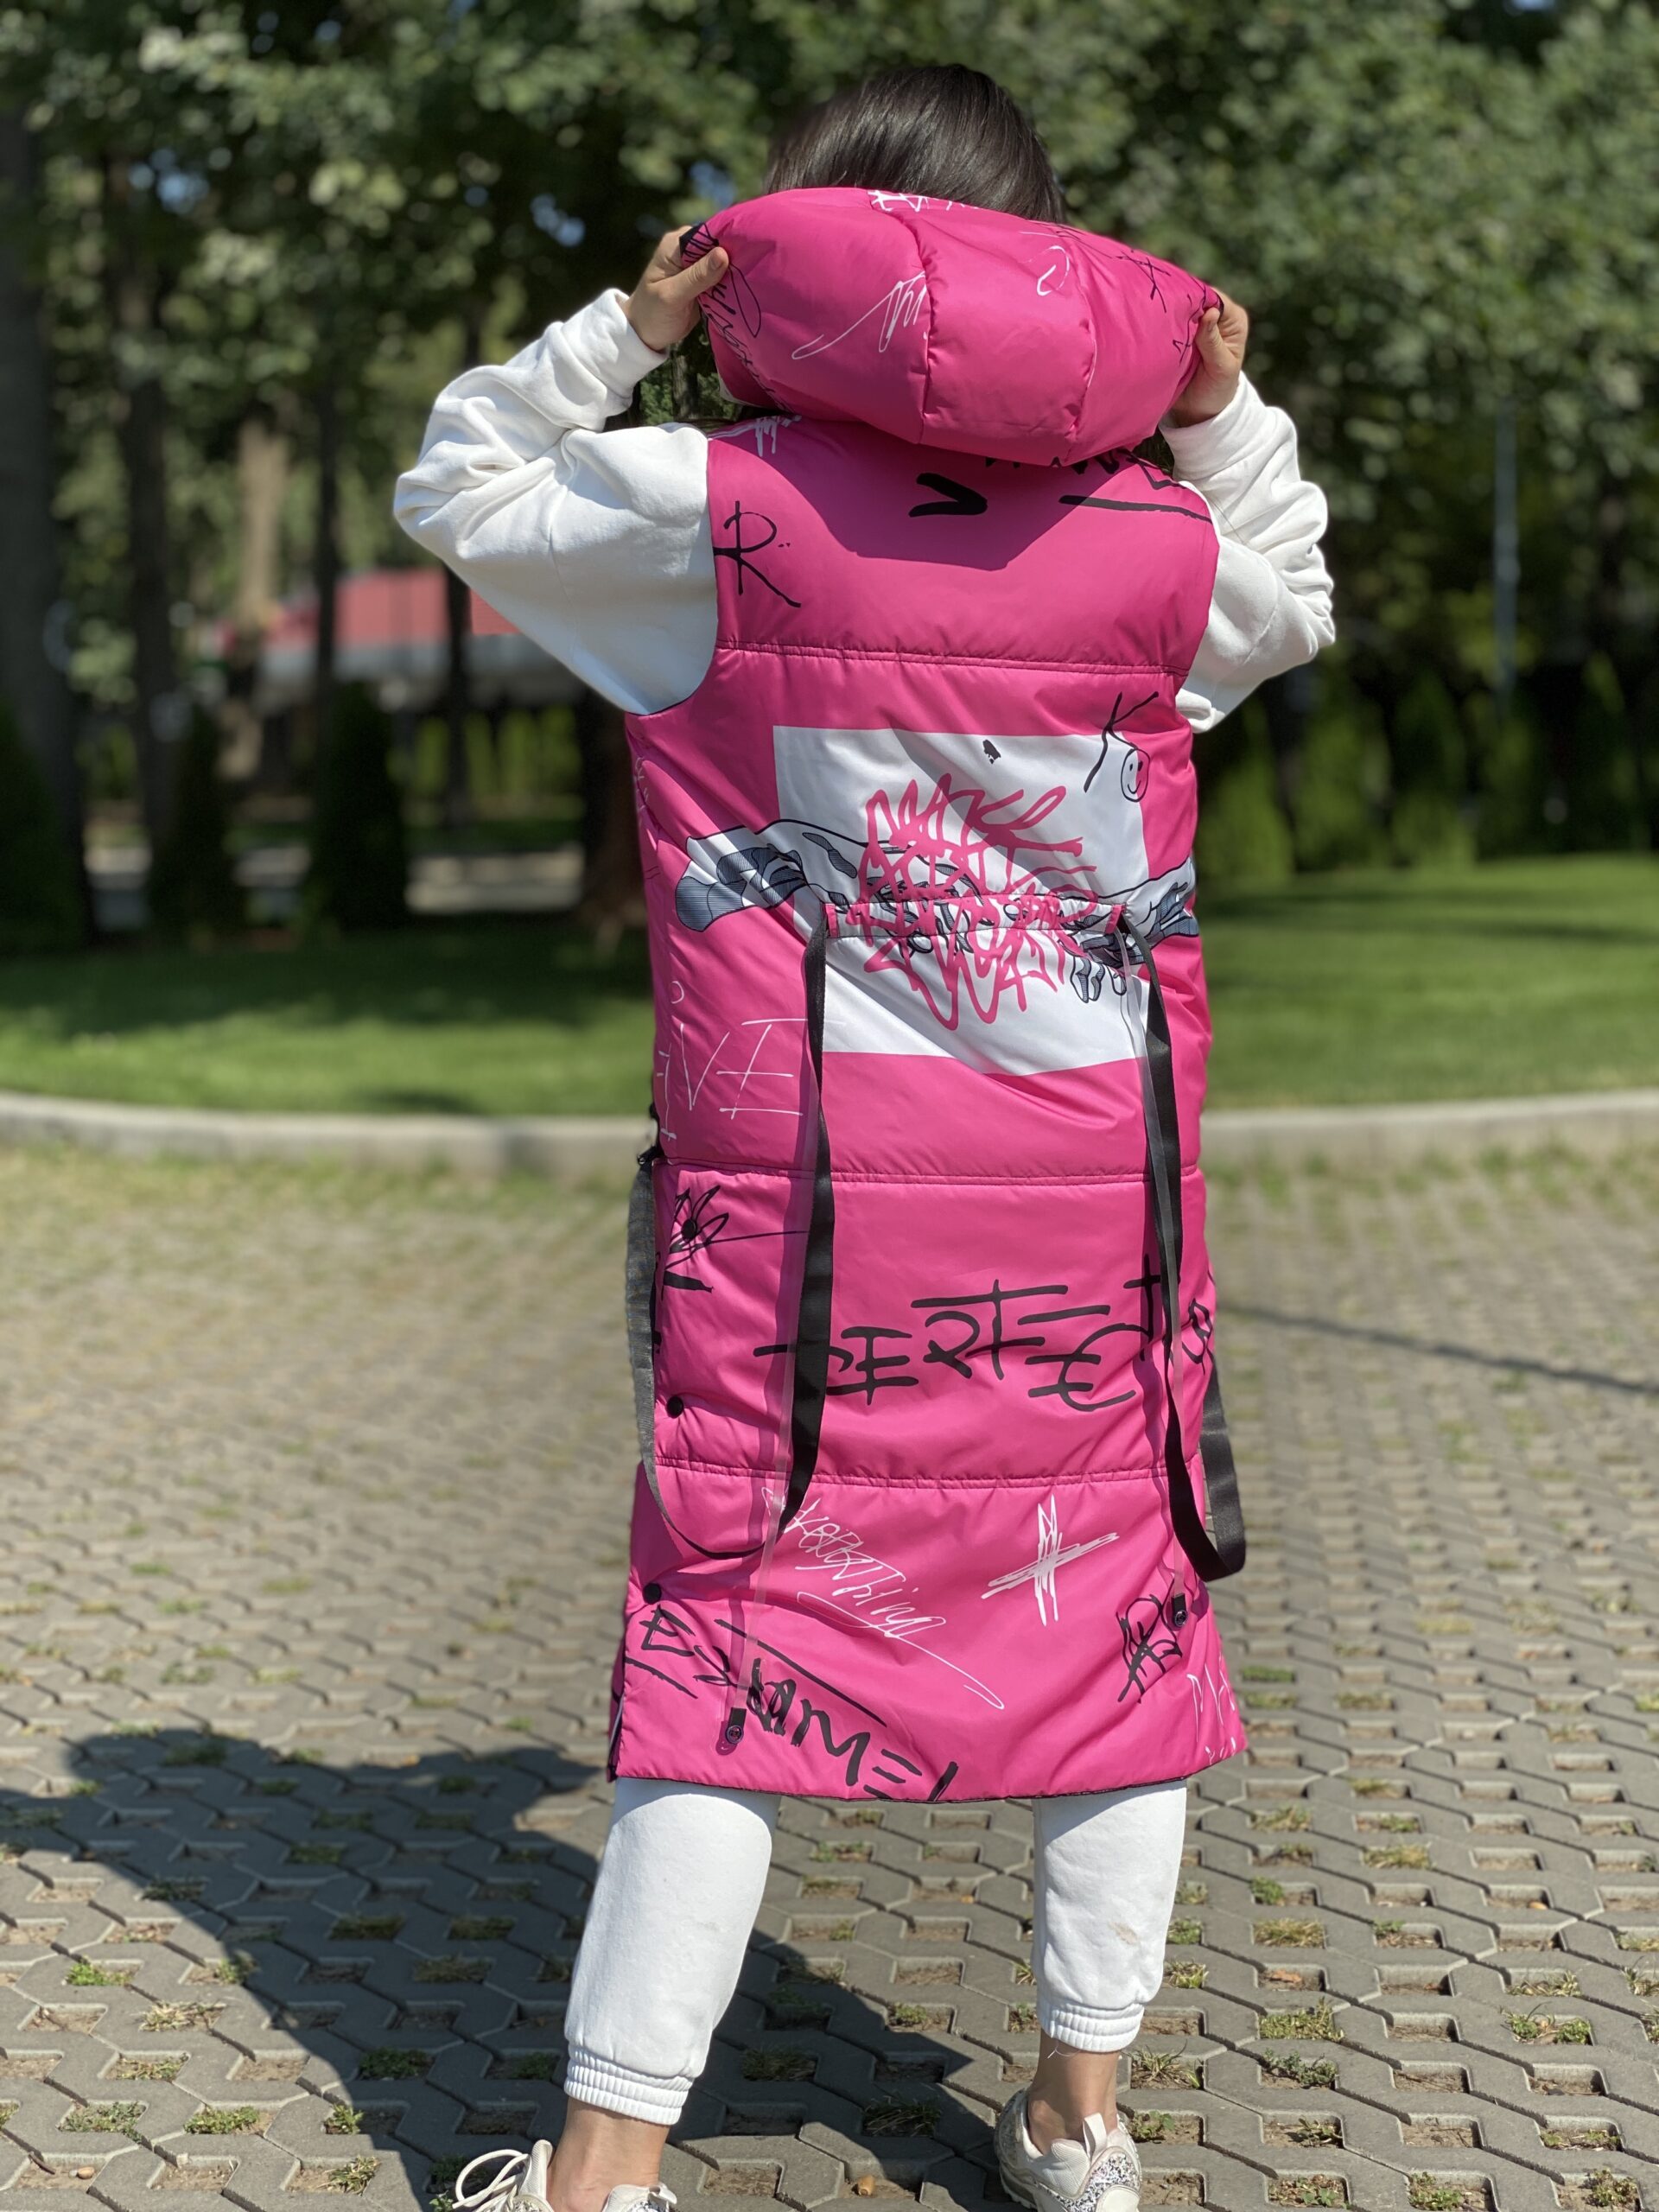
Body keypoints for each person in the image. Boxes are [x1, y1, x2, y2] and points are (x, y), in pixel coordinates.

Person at [396, 63, 1333, 2212]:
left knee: (735, 1630)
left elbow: (461, 481)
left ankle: (602, 2173)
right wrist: (1219, 422)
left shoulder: (708, 512)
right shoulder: (1148, 546)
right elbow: (1291, 584)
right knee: (1113, 1623)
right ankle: (1080, 2125)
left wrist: (627, 330)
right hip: (1094, 1208)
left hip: (806, 1231)